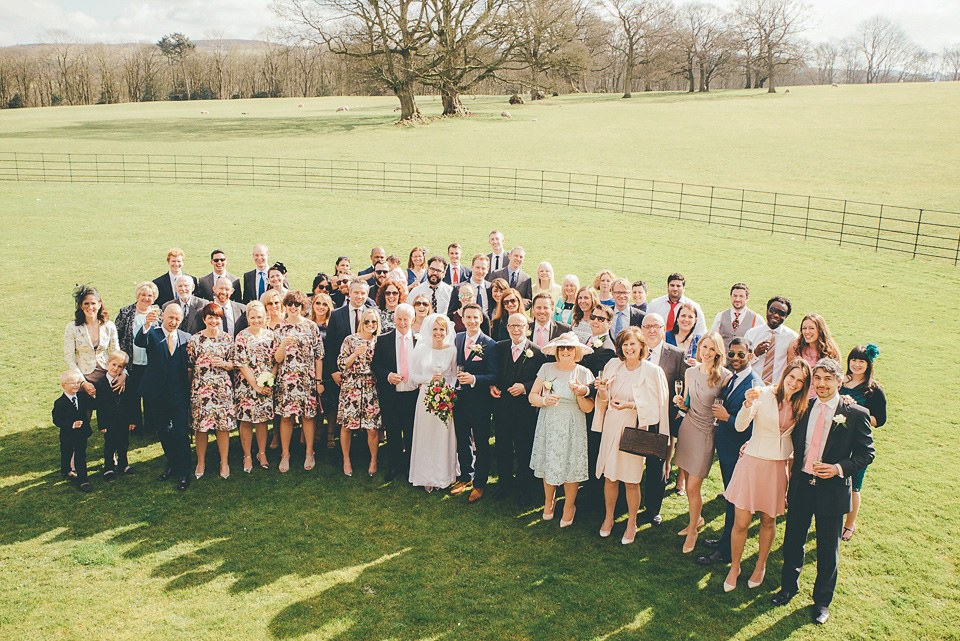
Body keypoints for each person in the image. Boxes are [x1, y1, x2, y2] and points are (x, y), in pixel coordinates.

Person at [772, 358, 874, 625]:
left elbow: (867, 454)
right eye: (817, 378)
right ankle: (787, 588)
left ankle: (821, 602)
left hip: (833, 490)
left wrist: (839, 468)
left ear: (839, 381)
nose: (822, 384)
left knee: (828, 549)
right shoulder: (804, 408)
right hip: (802, 485)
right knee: (793, 540)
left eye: (828, 379)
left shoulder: (855, 414)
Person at [724, 358, 812, 591]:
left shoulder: (804, 406)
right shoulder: (762, 393)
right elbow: (741, 426)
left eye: (800, 381)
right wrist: (745, 405)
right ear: (785, 374)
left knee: (768, 520)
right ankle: (735, 566)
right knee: (741, 522)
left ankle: (760, 565)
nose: (794, 384)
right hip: (752, 463)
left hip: (777, 467)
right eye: (792, 377)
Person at [593, 326, 669, 544]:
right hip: (612, 425)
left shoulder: (652, 371)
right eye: (625, 344)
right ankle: (608, 519)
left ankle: (631, 522)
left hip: (635, 429)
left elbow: (658, 406)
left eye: (633, 344)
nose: (628, 348)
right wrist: (602, 390)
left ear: (641, 346)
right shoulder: (612, 365)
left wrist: (631, 405)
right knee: (610, 477)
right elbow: (604, 398)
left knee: (631, 480)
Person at [695, 337, 758, 567]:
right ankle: (724, 540)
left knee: (734, 502)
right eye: (732, 354)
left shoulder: (753, 385)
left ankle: (726, 551)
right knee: (730, 498)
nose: (736, 359)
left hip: (738, 452)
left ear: (751, 356)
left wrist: (726, 418)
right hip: (726, 448)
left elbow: (751, 425)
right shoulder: (733, 378)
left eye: (741, 355)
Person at [672, 332, 731, 553]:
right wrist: (680, 402)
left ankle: (693, 530)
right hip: (688, 427)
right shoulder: (689, 372)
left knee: (694, 487)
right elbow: (686, 404)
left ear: (718, 352)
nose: (706, 352)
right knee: (687, 482)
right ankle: (695, 519)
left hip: (707, 432)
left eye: (711, 349)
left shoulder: (724, 377)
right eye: (704, 347)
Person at [529, 333, 595, 525]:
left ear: (577, 351)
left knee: (571, 465)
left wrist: (579, 394)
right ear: (556, 351)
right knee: (549, 461)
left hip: (573, 423)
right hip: (549, 421)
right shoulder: (546, 368)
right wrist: (543, 400)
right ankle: (548, 502)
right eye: (562, 348)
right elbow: (532, 396)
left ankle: (569, 505)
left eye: (570, 348)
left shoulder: (584, 373)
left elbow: (589, 408)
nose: (566, 351)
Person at [638, 313, 688, 526]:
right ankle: (627, 501)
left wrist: (681, 409)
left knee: (656, 465)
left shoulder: (676, 355)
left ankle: (652, 509)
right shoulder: (634, 350)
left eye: (656, 326)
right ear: (641, 329)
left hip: (661, 419)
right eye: (647, 326)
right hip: (634, 416)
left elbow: (687, 383)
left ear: (663, 329)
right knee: (630, 461)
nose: (651, 331)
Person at [135, 303, 192, 490]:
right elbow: (139, 342)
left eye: (177, 318)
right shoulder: (152, 333)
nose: (173, 322)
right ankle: (172, 463)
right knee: (164, 431)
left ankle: (184, 471)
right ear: (163, 317)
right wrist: (146, 325)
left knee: (182, 433)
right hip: (157, 394)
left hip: (179, 394)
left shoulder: (187, 338)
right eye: (170, 318)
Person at [491, 312, 545, 502]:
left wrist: (525, 387)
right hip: (502, 408)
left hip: (525, 410)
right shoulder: (499, 348)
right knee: (502, 447)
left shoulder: (538, 352)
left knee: (524, 448)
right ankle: (504, 484)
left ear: (527, 328)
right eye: (512, 326)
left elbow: (544, 380)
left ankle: (525, 487)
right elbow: (493, 372)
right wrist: (492, 386)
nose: (516, 330)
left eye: (520, 326)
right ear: (507, 328)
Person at [449, 303, 499, 502]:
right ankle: (466, 476)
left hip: (480, 402)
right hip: (459, 400)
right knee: (462, 440)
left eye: (475, 318)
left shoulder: (490, 344)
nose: (471, 321)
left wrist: (475, 380)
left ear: (481, 319)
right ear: (462, 318)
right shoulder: (457, 338)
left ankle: (479, 483)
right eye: (467, 317)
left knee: (481, 442)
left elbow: (494, 375)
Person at [839, 344, 887, 542]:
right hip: (836, 437)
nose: (856, 365)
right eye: (853, 360)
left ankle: (850, 524)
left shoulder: (874, 389)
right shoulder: (840, 380)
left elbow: (880, 420)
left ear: (868, 364)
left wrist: (856, 410)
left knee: (853, 485)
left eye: (861, 361)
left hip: (858, 442)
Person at [408, 314, 459, 491]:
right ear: (430, 330)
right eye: (435, 329)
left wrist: (447, 391)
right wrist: (430, 379)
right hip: (425, 397)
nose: (438, 332)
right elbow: (413, 376)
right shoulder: (421, 349)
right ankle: (425, 475)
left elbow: (453, 375)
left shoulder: (452, 350)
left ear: (447, 331)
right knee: (426, 435)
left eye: (442, 329)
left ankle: (443, 474)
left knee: (442, 436)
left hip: (444, 398)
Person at [274, 291, 324, 473]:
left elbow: (319, 356)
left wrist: (318, 381)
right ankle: (285, 454)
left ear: (303, 307)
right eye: (290, 305)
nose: (293, 308)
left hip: (307, 380)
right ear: (285, 306)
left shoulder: (311, 327)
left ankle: (310, 452)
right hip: (286, 380)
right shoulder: (279, 328)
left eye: (297, 305)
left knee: (308, 417)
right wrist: (282, 346)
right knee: (286, 418)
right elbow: (277, 359)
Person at [187, 302, 236, 480]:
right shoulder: (195, 339)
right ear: (204, 319)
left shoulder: (227, 339)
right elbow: (190, 364)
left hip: (221, 389)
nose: (214, 321)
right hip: (201, 389)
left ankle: (224, 462)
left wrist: (224, 364)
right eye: (210, 317)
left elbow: (234, 363)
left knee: (222, 427)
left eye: (217, 317)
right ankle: (201, 461)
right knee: (201, 427)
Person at [372, 303, 418, 482]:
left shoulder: (419, 340)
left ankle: (409, 467)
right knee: (392, 431)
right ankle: (393, 466)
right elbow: (375, 365)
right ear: (393, 319)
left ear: (412, 320)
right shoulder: (383, 340)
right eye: (399, 319)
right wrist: (388, 375)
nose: (402, 323)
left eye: (406, 319)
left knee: (411, 432)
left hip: (412, 394)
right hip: (392, 394)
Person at [337, 307, 382, 477]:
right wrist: (355, 353)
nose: (370, 324)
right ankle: (346, 459)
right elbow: (342, 365)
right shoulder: (350, 340)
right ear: (361, 322)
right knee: (347, 426)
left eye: (373, 322)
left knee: (372, 428)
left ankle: (373, 460)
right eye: (367, 321)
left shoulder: (379, 341)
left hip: (371, 386)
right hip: (351, 386)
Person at [234, 301, 277, 472]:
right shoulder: (241, 336)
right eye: (253, 317)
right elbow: (241, 363)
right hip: (246, 384)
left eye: (259, 317)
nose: (256, 320)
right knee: (246, 421)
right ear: (247, 318)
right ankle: (247, 455)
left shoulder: (271, 335)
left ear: (265, 317)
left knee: (262, 421)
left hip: (266, 384)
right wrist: (255, 386)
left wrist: (269, 381)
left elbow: (276, 361)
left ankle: (262, 452)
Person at [114, 281, 159, 435]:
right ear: (137, 295)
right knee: (132, 395)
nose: (146, 298)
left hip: (150, 363)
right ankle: (135, 425)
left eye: (150, 296)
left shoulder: (157, 313)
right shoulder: (125, 312)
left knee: (150, 396)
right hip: (131, 362)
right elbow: (116, 336)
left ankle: (152, 426)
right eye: (143, 295)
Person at [64, 285, 122, 400]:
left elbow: (116, 353)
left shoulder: (109, 326)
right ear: (81, 306)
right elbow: (69, 358)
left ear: (99, 304)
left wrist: (122, 373)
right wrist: (83, 382)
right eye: (86, 303)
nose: (90, 307)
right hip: (83, 376)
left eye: (93, 303)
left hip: (105, 375)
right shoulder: (72, 328)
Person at [94, 351, 135, 480]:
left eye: (120, 367)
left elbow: (131, 402)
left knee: (123, 443)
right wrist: (102, 424)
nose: (115, 369)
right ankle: (109, 467)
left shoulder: (126, 381)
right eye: (113, 364)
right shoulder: (101, 384)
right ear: (107, 364)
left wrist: (132, 420)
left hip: (123, 419)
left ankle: (124, 464)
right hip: (109, 421)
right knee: (110, 444)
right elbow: (99, 407)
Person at [53, 370, 94, 492]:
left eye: (77, 382)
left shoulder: (82, 397)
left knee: (81, 456)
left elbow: (92, 404)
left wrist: (93, 394)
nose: (75, 385)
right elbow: (57, 420)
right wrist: (71, 424)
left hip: (81, 434)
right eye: (72, 383)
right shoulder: (60, 403)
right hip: (67, 435)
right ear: (63, 385)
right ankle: (66, 470)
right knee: (66, 453)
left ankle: (83, 480)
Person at [745, 296, 798, 385]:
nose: (776, 315)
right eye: (772, 310)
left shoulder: (792, 338)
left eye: (781, 313)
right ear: (767, 310)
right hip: (752, 386)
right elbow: (741, 362)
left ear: (786, 316)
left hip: (776, 389)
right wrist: (755, 353)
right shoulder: (751, 334)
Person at [788, 313, 841, 395]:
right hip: (799, 394)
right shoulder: (796, 346)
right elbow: (790, 373)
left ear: (820, 330)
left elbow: (837, 377)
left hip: (820, 396)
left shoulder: (830, 350)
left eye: (811, 328)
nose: (807, 332)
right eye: (804, 328)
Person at [711, 283, 762, 349]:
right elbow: (712, 339)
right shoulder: (720, 316)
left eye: (741, 296)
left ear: (747, 298)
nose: (737, 299)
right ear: (731, 296)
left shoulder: (756, 318)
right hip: (724, 358)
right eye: (735, 296)